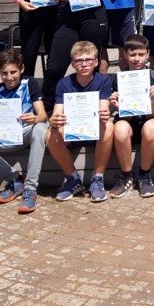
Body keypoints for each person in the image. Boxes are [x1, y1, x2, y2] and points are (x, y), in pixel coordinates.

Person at [0, 50, 48, 214]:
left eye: (13, 72)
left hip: (25, 133)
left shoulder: (30, 84)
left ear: (22, 69)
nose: (9, 77)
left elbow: (43, 116)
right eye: (4, 73)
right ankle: (14, 179)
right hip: (5, 137)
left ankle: (30, 188)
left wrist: (34, 118)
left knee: (40, 128)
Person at [46, 41, 114, 202]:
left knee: (109, 125)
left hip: (94, 129)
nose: (84, 64)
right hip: (72, 129)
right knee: (51, 134)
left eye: (89, 60)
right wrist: (54, 120)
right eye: (79, 60)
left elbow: (104, 108)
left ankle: (97, 179)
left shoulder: (104, 81)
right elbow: (57, 112)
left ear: (96, 62)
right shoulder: (64, 83)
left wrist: (105, 114)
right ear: (72, 64)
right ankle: (73, 179)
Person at [108, 35, 154, 198]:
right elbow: (123, 118)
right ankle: (127, 175)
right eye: (132, 55)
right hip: (128, 120)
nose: (136, 59)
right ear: (125, 55)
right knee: (119, 128)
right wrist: (120, 107)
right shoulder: (118, 79)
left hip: (149, 117)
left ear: (148, 54)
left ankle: (145, 175)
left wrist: (153, 101)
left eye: (141, 54)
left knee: (151, 127)